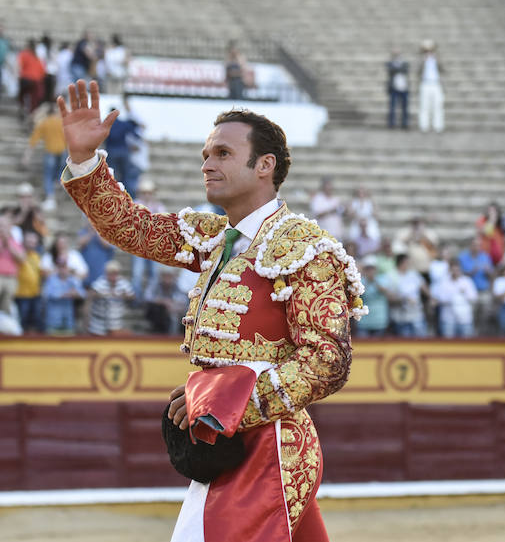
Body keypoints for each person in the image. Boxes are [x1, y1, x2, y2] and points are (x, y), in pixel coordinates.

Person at [58, 80, 362, 541]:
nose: (207, 163)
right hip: (232, 445)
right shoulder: (215, 238)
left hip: (271, 447)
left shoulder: (306, 249)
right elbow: (132, 228)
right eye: (206, 153)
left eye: (222, 153)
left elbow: (328, 362)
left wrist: (224, 406)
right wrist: (84, 160)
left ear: (265, 166)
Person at [24, 102, 67, 210]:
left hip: (50, 151)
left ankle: (50, 197)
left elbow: (34, 139)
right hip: (63, 151)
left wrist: (27, 156)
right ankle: (59, 183)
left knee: (48, 175)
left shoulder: (45, 122)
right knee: (60, 172)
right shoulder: (63, 122)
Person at [433, 259, 477, 338]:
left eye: (457, 269)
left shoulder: (467, 281)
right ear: (450, 270)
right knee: (448, 346)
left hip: (464, 319)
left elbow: (473, 297)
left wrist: (464, 293)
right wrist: (455, 294)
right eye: (453, 269)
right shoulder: (444, 282)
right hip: (449, 319)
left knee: (467, 346)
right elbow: (440, 298)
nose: (455, 272)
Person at [87, 260, 134, 335]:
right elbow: (91, 294)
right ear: (106, 273)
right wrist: (101, 295)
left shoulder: (123, 283)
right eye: (110, 274)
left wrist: (122, 296)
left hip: (115, 322)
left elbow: (132, 296)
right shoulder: (100, 282)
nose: (113, 277)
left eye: (115, 273)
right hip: (98, 323)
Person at [389, 253, 428, 337]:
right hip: (401, 316)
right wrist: (404, 299)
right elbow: (390, 297)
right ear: (401, 263)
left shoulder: (413, 274)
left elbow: (423, 287)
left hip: (416, 314)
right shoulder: (392, 276)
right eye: (407, 262)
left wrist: (432, 298)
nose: (409, 264)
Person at [42, 257, 84, 334]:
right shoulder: (51, 279)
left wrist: (76, 294)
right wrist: (64, 294)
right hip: (54, 321)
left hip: (68, 321)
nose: (62, 269)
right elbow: (46, 294)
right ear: (57, 268)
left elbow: (82, 294)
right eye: (60, 267)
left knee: (70, 343)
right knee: (51, 343)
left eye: (64, 266)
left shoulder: (73, 280)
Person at [355, 255, 392, 336]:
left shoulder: (383, 279)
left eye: (372, 268)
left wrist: (374, 281)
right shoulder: (360, 281)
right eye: (368, 269)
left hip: (379, 321)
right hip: (364, 322)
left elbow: (386, 293)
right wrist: (368, 282)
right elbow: (358, 295)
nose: (370, 271)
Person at [15, 231, 43, 333]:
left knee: (36, 317)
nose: (31, 243)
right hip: (21, 292)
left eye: (33, 241)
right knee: (23, 317)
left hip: (35, 292)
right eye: (29, 240)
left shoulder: (37, 256)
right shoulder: (19, 253)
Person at [417, 39, 445, 133]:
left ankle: (438, 126)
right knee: (424, 105)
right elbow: (418, 71)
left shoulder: (436, 58)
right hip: (425, 83)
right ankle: (424, 126)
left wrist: (436, 59)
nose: (429, 52)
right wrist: (423, 60)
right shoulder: (422, 59)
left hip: (436, 83)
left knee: (437, 105)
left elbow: (442, 69)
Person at [17, 38, 46, 119]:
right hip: (36, 80)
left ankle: (23, 109)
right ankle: (31, 114)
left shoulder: (24, 54)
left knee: (22, 96)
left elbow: (19, 66)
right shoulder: (37, 56)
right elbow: (43, 71)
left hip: (25, 78)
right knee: (33, 100)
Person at [386, 49, 409, 129]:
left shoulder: (404, 63)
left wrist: (398, 67)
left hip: (404, 88)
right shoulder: (391, 63)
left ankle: (404, 123)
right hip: (394, 88)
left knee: (405, 107)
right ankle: (391, 123)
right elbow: (391, 70)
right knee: (392, 107)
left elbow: (405, 70)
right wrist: (398, 68)